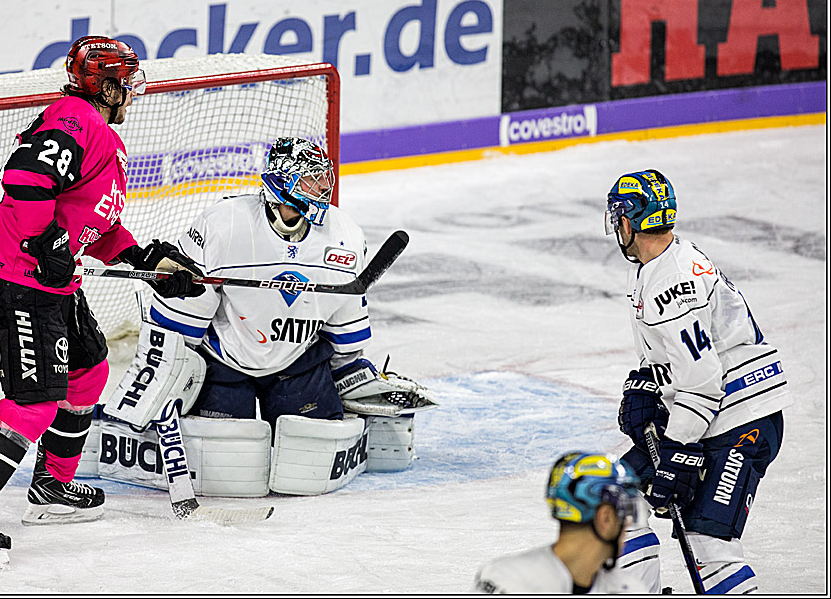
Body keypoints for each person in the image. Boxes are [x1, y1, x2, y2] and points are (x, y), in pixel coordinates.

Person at [0, 36, 205, 564]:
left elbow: (92, 222)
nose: (132, 92)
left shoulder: (95, 131)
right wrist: (45, 242)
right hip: (22, 277)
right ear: (106, 85)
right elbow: (26, 184)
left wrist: (147, 261)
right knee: (34, 401)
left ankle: (52, 488)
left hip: (50, 279)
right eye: (126, 82)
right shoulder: (74, 121)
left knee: (88, 372)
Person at [142, 137, 435, 495]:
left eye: (323, 177)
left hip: (298, 363)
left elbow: (344, 322)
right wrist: (170, 368)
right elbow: (183, 313)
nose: (323, 187)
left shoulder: (343, 235)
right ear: (282, 184)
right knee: (223, 462)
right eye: (310, 179)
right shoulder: (225, 223)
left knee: (313, 455)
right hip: (224, 361)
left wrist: (347, 372)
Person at [605, 169, 790, 594]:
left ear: (631, 220)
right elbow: (685, 361)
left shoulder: (673, 282)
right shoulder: (664, 263)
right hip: (712, 415)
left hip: (741, 420)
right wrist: (646, 384)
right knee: (614, 494)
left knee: (708, 543)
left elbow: (703, 380)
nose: (617, 227)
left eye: (619, 217)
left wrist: (677, 451)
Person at [474, 452, 647, 594]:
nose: (627, 524)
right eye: (625, 513)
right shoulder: (509, 583)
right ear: (606, 518)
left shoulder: (505, 576)